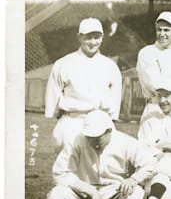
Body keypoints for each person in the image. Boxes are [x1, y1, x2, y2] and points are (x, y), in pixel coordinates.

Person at [48, 110, 156, 199]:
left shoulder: (126, 142)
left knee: (136, 194)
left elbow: (150, 163)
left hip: (114, 189)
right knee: (57, 194)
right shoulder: (76, 141)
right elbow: (59, 173)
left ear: (109, 131)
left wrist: (134, 179)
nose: (92, 142)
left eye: (97, 138)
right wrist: (90, 191)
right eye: (89, 137)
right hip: (82, 189)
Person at [45, 17, 122, 152]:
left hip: (100, 120)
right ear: (79, 37)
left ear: (102, 37)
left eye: (96, 37)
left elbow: (115, 97)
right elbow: (53, 93)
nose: (93, 42)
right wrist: (59, 116)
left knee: (101, 166)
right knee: (70, 165)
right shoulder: (64, 63)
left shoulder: (110, 65)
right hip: (73, 120)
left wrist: (110, 120)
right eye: (88, 37)